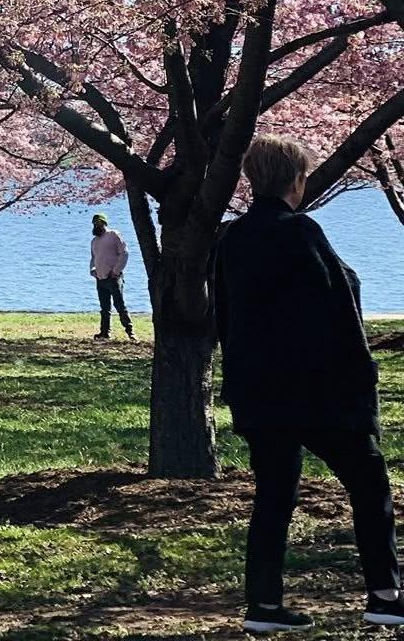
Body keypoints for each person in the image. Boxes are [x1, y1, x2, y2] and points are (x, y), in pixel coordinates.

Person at [215, 134, 404, 634]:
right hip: (318, 391)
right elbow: (339, 311)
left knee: (273, 495)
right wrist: (361, 386)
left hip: (259, 392)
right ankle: (385, 595)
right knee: (369, 485)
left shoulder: (230, 239)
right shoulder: (302, 233)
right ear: (297, 181)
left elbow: (225, 318)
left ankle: (264, 605)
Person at [89, 213, 133, 341]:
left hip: (113, 278)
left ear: (104, 223)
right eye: (94, 223)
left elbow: (124, 253)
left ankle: (130, 331)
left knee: (120, 305)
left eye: (99, 223)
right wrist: (93, 271)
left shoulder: (113, 235)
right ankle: (104, 332)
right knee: (104, 308)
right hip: (100, 278)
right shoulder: (94, 241)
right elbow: (93, 258)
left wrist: (116, 271)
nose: (96, 225)